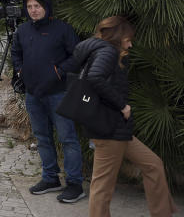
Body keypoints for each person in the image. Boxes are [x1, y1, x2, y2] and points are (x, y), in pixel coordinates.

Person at [62, 17, 177, 217]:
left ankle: (163, 212)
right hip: (109, 130)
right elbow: (95, 77)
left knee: (154, 165)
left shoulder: (105, 51)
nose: (130, 43)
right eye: (127, 39)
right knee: (102, 186)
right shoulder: (107, 52)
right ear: (118, 37)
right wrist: (122, 105)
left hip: (117, 129)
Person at [11, 0, 84, 203]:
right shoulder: (23, 30)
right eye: (30, 6)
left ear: (46, 7)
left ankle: (75, 184)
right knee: (42, 138)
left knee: (67, 138)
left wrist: (58, 72)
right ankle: (50, 178)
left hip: (58, 93)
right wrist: (20, 71)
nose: (33, 10)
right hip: (33, 94)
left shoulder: (62, 29)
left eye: (37, 6)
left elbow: (77, 55)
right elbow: (16, 52)